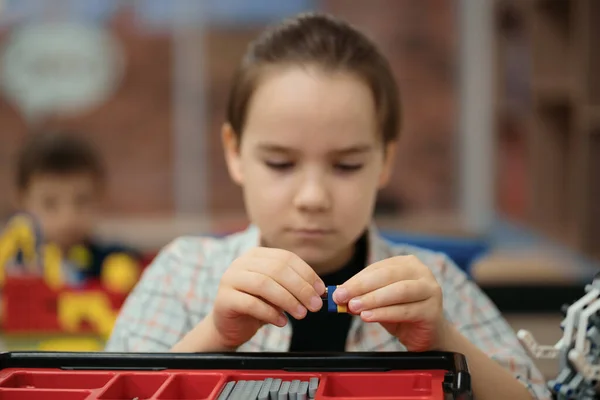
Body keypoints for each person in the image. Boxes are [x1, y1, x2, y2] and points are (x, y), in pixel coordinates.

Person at [105, 12, 550, 400]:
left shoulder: (438, 287)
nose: (313, 198)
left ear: (385, 161)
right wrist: (213, 337)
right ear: (235, 151)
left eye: (347, 165)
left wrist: (447, 341)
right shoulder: (183, 274)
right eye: (280, 163)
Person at [7, 131, 140, 286]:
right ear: (22, 200)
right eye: (50, 204)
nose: (68, 218)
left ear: (100, 197)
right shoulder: (16, 267)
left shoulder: (110, 260)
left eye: (82, 201)